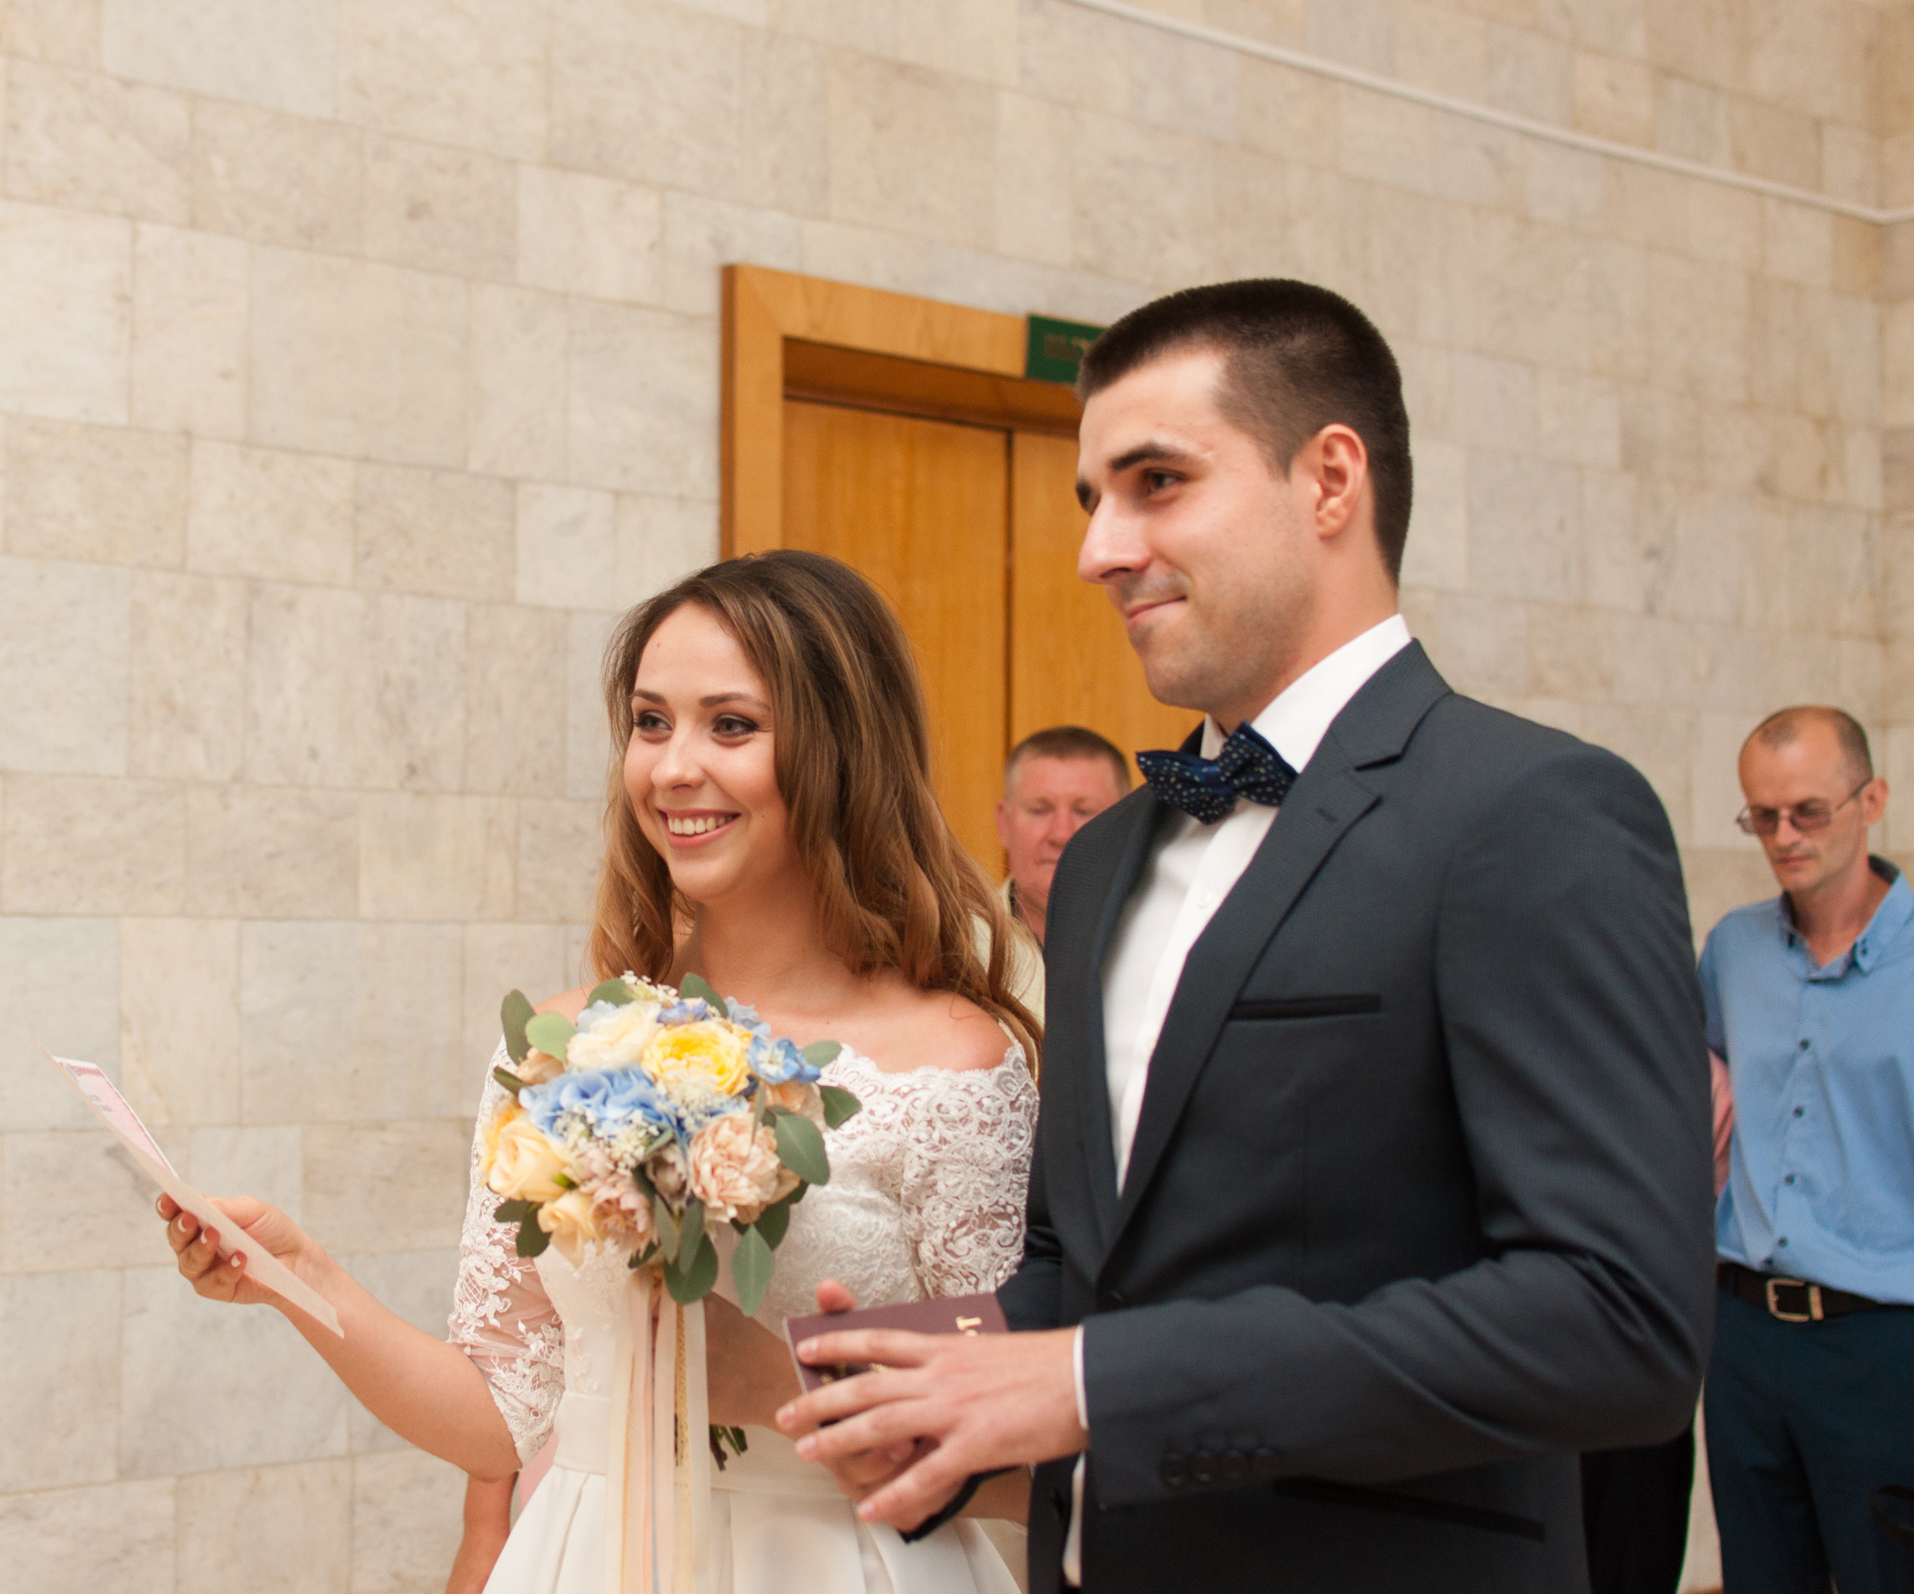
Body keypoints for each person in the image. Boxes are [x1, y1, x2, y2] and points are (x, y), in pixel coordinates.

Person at [775, 278, 1712, 1593]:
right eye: (1092, 499)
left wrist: (1100, 1381)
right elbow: (1082, 1266)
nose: (1101, 548)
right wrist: (927, 1369)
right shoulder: (1106, 860)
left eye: (1157, 481)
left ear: (1331, 479)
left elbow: (1620, 1323)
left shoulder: (1530, 811)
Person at [159, 549, 1042, 1594]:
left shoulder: (950, 1065)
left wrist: (783, 1384)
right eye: (650, 720)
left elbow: (1030, 1459)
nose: (672, 768)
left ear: (841, 750)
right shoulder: (561, 1049)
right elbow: (497, 1416)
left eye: (732, 724)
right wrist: (301, 1276)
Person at [1700, 705, 1914, 1594]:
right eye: (1762, 815)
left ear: (1872, 801)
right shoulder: (1733, 950)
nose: (1783, 837)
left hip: (1882, 1344)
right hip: (1744, 1337)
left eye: (1808, 812)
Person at [994, 728, 1131, 1018]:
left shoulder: (1162, 938)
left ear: (1129, 826)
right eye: (1040, 810)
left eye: (1085, 812)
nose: (1062, 834)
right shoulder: (955, 944)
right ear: (1004, 824)